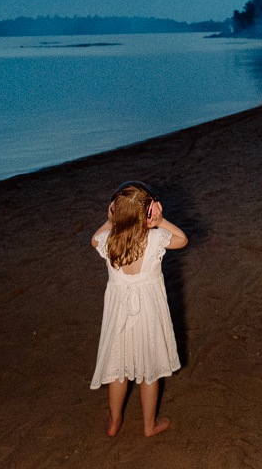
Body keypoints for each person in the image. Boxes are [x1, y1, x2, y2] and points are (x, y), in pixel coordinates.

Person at [90, 181, 188, 436]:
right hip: (149, 317)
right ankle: (149, 425)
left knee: (118, 371)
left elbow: (93, 238)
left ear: (114, 211)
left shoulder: (107, 241)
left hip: (118, 319)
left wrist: (110, 221)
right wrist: (160, 221)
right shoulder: (155, 239)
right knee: (149, 371)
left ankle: (114, 422)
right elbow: (182, 239)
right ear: (148, 215)